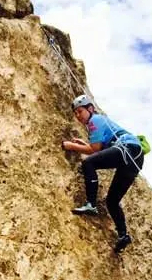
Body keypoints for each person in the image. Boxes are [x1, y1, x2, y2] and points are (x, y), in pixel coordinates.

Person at [62, 94, 144, 253]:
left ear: (90, 109)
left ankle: (91, 204)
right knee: (112, 201)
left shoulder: (94, 120)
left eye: (80, 111)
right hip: (134, 157)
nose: (78, 116)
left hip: (127, 148)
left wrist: (71, 146)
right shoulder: (98, 122)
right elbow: (101, 149)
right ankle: (123, 235)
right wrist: (85, 145)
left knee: (88, 162)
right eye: (76, 113)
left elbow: (95, 150)